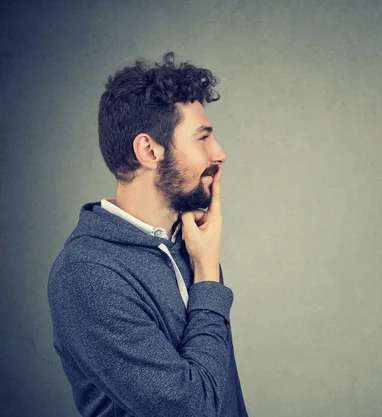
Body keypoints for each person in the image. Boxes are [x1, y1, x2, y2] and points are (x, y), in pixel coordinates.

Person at [47, 52, 248, 417]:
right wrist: (207, 279)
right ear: (149, 150)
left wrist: (204, 267)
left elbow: (223, 396)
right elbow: (194, 409)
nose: (219, 153)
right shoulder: (87, 275)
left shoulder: (190, 243)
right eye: (202, 138)